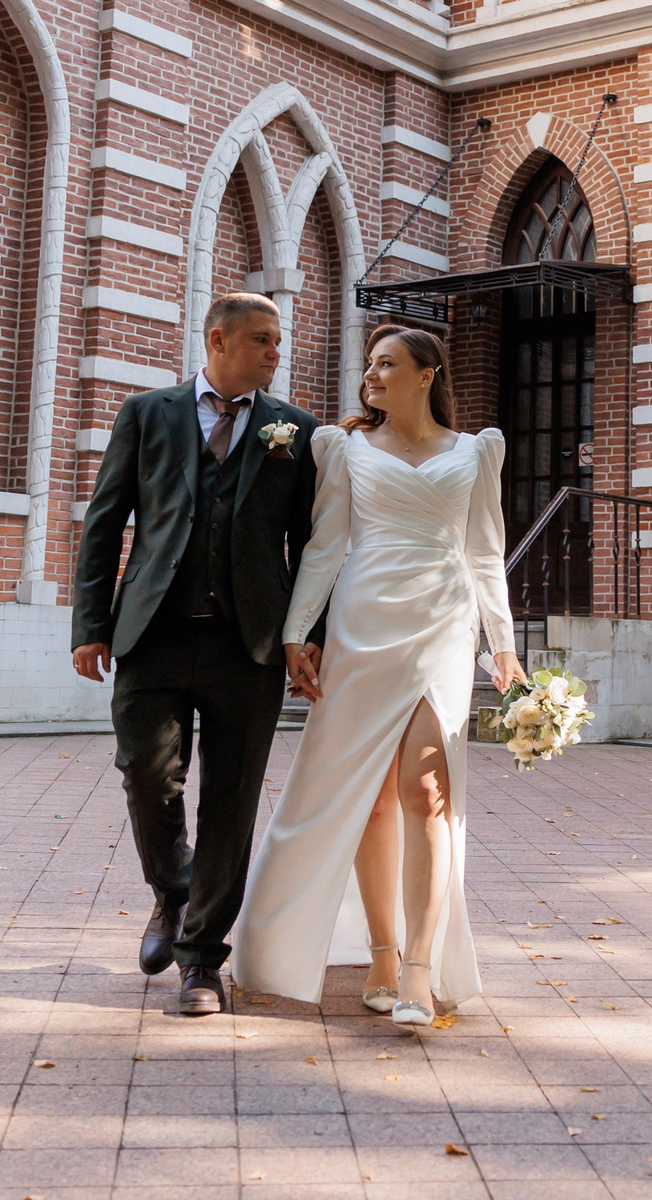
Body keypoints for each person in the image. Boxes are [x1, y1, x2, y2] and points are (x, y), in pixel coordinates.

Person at [231, 327, 526, 1026]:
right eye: (369, 364)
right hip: (364, 627)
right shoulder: (344, 447)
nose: (372, 374)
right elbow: (327, 544)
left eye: (387, 363)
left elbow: (486, 553)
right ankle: (384, 951)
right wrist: (299, 631)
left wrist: (503, 644)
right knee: (370, 799)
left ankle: (422, 967)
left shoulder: (478, 449)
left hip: (442, 629)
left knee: (425, 790)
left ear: (428, 373)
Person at [70, 292, 320, 1016]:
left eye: (279, 341)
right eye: (264, 340)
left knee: (233, 801)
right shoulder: (146, 413)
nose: (277, 352)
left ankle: (203, 962)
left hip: (251, 644)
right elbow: (105, 519)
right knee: (147, 777)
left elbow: (311, 546)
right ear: (219, 339)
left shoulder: (293, 430)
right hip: (151, 633)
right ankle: (172, 894)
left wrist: (309, 637)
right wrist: (92, 622)